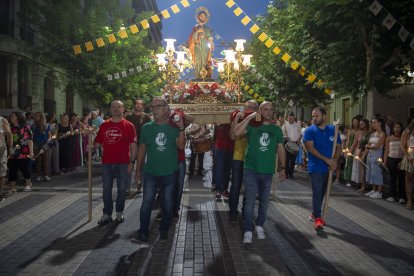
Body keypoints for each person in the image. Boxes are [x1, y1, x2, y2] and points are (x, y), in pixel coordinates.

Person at [134, 97, 186, 242]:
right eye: (153, 106)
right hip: (151, 172)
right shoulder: (147, 128)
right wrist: (138, 170)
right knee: (147, 202)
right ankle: (143, 233)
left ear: (167, 109)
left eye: (158, 106)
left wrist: (181, 127)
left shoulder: (174, 127)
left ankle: (164, 230)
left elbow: (181, 146)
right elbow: (142, 149)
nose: (154, 109)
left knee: (168, 203)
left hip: (170, 172)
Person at [234, 101, 286, 243]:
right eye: (265, 109)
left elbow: (281, 149)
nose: (269, 112)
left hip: (268, 171)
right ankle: (247, 229)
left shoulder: (276, 129)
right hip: (251, 169)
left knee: (264, 201)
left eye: (271, 110)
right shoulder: (252, 126)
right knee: (250, 200)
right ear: (260, 111)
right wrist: (249, 118)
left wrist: (283, 168)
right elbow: (237, 132)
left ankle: (260, 225)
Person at [93, 100, 137, 225]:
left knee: (122, 189)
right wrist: (91, 148)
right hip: (107, 163)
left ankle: (119, 212)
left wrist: (132, 162)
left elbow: (133, 146)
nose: (116, 109)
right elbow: (98, 142)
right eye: (113, 107)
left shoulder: (129, 126)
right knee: (106, 189)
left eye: (119, 107)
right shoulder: (104, 125)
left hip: (123, 163)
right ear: (110, 110)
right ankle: (106, 214)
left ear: (123, 109)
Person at [303, 107, 341, 230]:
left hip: (328, 167)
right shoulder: (309, 130)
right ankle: (318, 219)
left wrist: (334, 160)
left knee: (323, 192)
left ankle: (315, 212)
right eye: (313, 116)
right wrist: (327, 160)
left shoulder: (333, 130)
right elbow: (311, 149)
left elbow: (339, 147)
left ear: (324, 116)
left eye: (316, 116)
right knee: (317, 191)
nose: (314, 118)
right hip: (315, 166)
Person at [228, 100, 258, 223]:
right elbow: (231, 136)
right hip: (238, 157)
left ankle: (246, 211)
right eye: (248, 107)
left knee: (250, 188)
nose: (250, 109)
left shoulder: (258, 121)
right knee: (235, 186)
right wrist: (236, 119)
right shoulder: (239, 119)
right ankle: (233, 212)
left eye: (253, 107)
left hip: (252, 159)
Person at [125, 99, 152, 194]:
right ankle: (127, 187)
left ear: (143, 106)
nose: (138, 105)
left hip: (142, 144)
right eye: (137, 103)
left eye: (140, 104)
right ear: (134, 105)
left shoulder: (146, 117)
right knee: (128, 164)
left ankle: (139, 185)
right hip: (131, 143)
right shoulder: (128, 116)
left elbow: (150, 129)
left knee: (141, 165)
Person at [7, 111, 34, 192]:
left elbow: (30, 140)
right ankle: (12, 187)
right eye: (11, 116)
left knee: (24, 168)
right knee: (12, 168)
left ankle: (28, 183)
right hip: (12, 150)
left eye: (13, 116)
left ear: (18, 117)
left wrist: (31, 152)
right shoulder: (9, 127)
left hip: (23, 151)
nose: (11, 118)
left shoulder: (26, 127)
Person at [187, 7, 214, 79]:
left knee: (205, 60)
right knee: (198, 60)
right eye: (201, 16)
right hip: (197, 46)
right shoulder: (196, 27)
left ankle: (205, 76)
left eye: (204, 16)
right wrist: (197, 32)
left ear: (206, 18)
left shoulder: (207, 28)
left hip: (205, 46)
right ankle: (198, 76)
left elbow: (210, 37)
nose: (203, 17)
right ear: (198, 17)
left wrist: (211, 44)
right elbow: (192, 38)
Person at [364, 117, 386, 199]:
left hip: (377, 155)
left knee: (377, 173)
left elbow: (377, 146)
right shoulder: (373, 133)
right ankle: (373, 189)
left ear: (379, 123)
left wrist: (368, 146)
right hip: (370, 155)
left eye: (374, 123)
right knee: (370, 172)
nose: (372, 124)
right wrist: (364, 155)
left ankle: (379, 192)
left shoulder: (382, 134)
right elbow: (368, 144)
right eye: (372, 123)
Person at [384, 121, 405, 203]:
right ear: (393, 128)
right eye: (395, 127)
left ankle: (402, 196)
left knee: (401, 178)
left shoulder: (403, 137)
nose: (397, 129)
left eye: (399, 127)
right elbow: (386, 150)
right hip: (391, 158)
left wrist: (403, 160)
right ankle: (391, 195)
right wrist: (385, 161)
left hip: (401, 159)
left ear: (401, 128)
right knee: (392, 178)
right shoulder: (389, 138)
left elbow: (405, 149)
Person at [214, 123, 234, 198]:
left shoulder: (233, 117)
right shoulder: (220, 118)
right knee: (219, 170)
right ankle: (218, 190)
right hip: (220, 147)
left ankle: (224, 189)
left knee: (227, 170)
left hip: (230, 147)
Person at [350, 119, 370, 193]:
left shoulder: (369, 133)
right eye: (360, 124)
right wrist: (349, 152)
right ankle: (358, 183)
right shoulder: (357, 132)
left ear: (366, 124)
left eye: (362, 124)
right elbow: (354, 143)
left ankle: (364, 185)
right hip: (358, 151)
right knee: (358, 169)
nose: (360, 125)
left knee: (363, 169)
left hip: (365, 152)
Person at [282, 112, 302, 179]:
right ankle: (287, 173)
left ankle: (291, 174)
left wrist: (299, 139)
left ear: (294, 118)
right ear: (288, 118)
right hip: (287, 143)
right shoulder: (285, 125)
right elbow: (282, 135)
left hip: (295, 143)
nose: (291, 120)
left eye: (292, 119)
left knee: (293, 160)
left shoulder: (297, 125)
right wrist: (285, 137)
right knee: (287, 159)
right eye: (290, 118)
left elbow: (301, 134)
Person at [32, 112, 51, 181]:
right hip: (36, 144)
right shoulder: (33, 126)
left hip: (44, 144)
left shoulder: (47, 126)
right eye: (35, 116)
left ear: (42, 117)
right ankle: (38, 176)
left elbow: (49, 135)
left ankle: (46, 175)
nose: (36, 117)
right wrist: (33, 144)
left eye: (38, 116)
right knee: (38, 160)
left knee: (45, 160)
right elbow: (32, 135)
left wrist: (49, 140)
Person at [400, 118, 414, 209]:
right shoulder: (407, 131)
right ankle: (409, 200)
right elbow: (402, 145)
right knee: (409, 179)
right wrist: (408, 156)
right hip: (410, 155)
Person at [343, 117, 360, 187]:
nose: (355, 123)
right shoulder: (350, 131)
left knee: (356, 164)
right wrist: (346, 150)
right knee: (348, 163)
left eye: (356, 121)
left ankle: (355, 180)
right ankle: (348, 179)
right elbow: (347, 141)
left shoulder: (359, 131)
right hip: (350, 147)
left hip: (357, 148)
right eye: (353, 121)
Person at [0, 115, 12, 198]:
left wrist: (10, 147)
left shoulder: (2, 120)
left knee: (1, 170)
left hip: (1, 148)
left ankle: (0, 192)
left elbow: (9, 135)